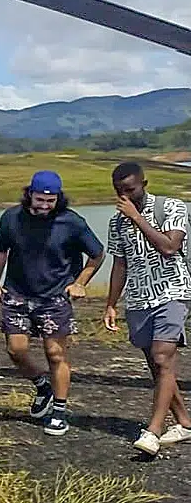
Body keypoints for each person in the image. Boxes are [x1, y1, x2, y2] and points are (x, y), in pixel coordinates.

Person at [0, 170, 104, 436]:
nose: (44, 206)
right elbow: (0, 249)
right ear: (30, 194)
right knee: (15, 350)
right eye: (40, 199)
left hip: (54, 297)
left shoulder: (72, 222)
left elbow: (97, 254)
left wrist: (80, 283)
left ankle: (59, 412)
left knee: (55, 354)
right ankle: (43, 386)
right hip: (18, 292)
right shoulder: (11, 218)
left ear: (58, 199)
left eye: (50, 201)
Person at [103, 161, 191, 455]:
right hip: (139, 297)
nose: (125, 196)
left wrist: (137, 218)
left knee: (163, 357)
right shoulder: (116, 222)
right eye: (119, 191)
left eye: (130, 190)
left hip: (172, 291)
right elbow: (119, 263)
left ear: (145, 184)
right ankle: (184, 423)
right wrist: (111, 304)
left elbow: (169, 247)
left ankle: (152, 432)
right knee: (156, 364)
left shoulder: (172, 208)